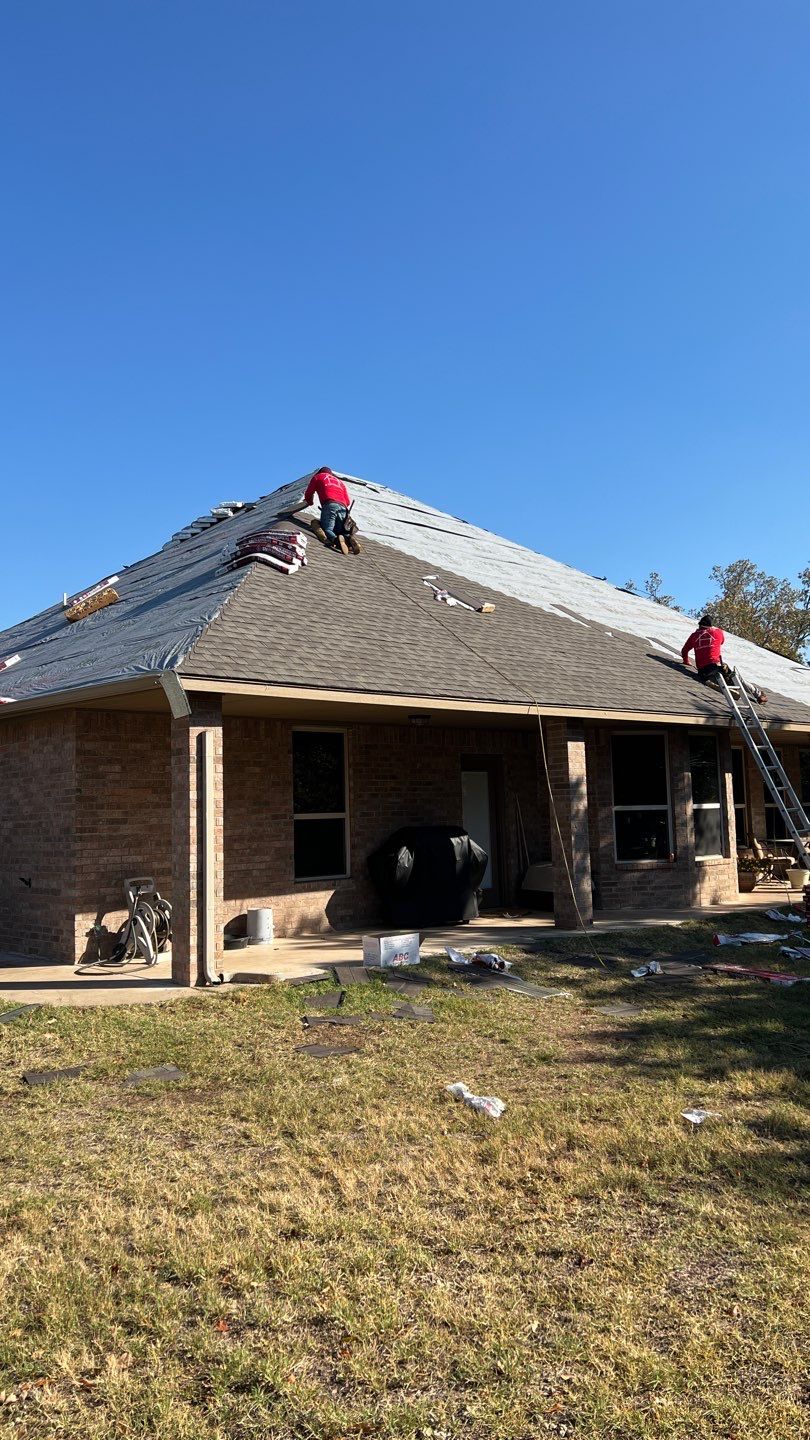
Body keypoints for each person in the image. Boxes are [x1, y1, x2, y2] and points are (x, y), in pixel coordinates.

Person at [681, 615, 767, 704]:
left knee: (719, 680)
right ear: (711, 625)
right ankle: (758, 694)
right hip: (716, 666)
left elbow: (684, 651)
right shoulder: (718, 632)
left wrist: (686, 661)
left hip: (703, 671)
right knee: (735, 678)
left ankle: (733, 691)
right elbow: (721, 642)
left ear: (699, 625)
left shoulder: (694, 636)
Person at [290, 466, 361, 554]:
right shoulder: (340, 482)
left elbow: (309, 492)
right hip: (344, 509)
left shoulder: (318, 477)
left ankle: (336, 541)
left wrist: (309, 502)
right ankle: (349, 540)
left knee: (327, 529)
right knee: (341, 530)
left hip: (330, 505)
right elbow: (347, 501)